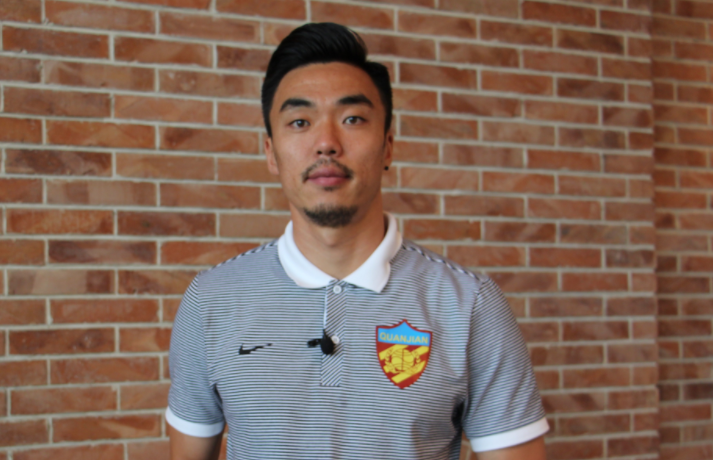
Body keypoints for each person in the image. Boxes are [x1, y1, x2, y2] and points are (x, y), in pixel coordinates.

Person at [166, 22, 549, 460]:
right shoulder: (211, 301)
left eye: (352, 119)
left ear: (387, 146)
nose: (326, 143)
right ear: (271, 152)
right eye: (300, 121)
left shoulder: (470, 305)